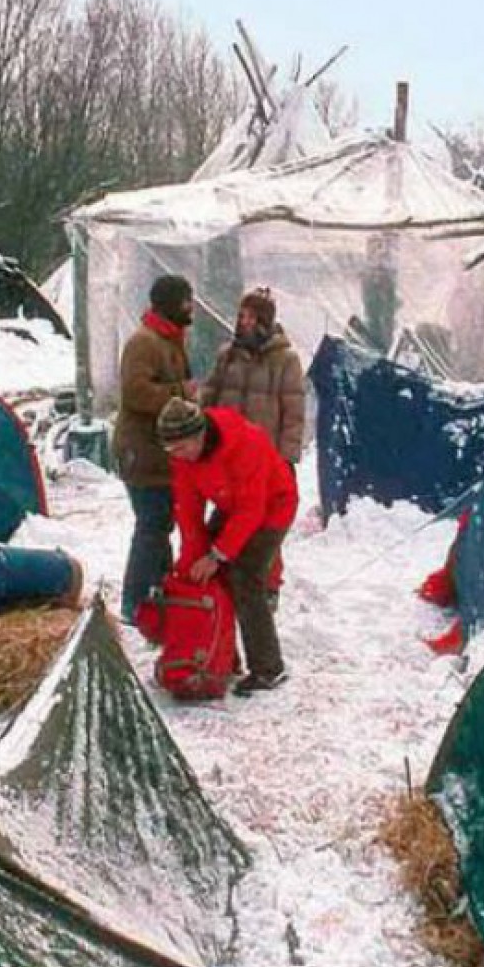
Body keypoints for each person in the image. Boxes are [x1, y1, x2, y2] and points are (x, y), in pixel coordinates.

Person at [157, 396, 297, 693]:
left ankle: (268, 667)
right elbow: (189, 512)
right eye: (170, 451)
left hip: (273, 505)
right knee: (210, 576)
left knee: (244, 578)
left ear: (199, 435)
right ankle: (220, 656)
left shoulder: (246, 444)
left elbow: (252, 510)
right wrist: (191, 562)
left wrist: (217, 555)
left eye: (181, 448)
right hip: (231, 504)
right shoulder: (182, 456)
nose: (177, 456)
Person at [114, 274, 196, 623]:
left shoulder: (170, 339)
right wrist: (182, 392)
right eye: (186, 301)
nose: (191, 307)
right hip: (141, 452)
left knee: (160, 523)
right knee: (152, 524)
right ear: (170, 304)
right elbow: (136, 393)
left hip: (159, 453)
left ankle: (157, 595)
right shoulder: (144, 342)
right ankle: (135, 602)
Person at [201, 287, 305, 464]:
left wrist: (285, 459)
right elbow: (208, 399)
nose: (244, 322)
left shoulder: (285, 360)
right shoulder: (227, 356)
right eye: (241, 316)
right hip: (227, 453)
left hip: (264, 457)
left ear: (264, 320)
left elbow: (293, 415)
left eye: (251, 317)